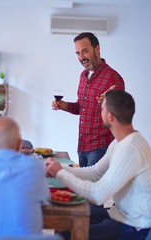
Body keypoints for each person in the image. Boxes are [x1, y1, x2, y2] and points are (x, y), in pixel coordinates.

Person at [46, 90, 151, 240]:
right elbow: (95, 172)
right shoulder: (121, 141)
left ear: (110, 116)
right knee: (68, 218)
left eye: (102, 108)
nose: (100, 112)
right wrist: (61, 168)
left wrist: (60, 174)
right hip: (121, 215)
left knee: (66, 235)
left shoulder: (130, 148)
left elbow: (97, 195)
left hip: (135, 227)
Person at [52, 32, 125, 167]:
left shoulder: (113, 78)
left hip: (101, 147)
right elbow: (82, 107)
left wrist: (107, 104)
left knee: (94, 187)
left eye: (85, 51)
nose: (81, 57)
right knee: (83, 187)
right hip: (83, 145)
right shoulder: (83, 76)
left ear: (97, 49)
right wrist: (65, 106)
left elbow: (121, 115)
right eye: (78, 53)